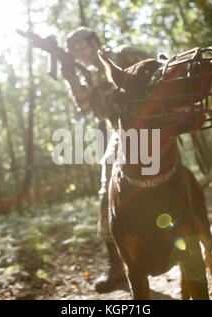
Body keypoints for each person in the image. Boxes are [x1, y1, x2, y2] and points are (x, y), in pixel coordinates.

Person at [61, 27, 151, 293]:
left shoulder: (124, 54)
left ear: (95, 42)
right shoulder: (88, 76)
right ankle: (117, 267)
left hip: (152, 125)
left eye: (81, 45)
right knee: (107, 196)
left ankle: (190, 244)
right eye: (72, 50)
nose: (78, 53)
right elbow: (89, 109)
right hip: (119, 131)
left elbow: (159, 74)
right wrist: (71, 78)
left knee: (170, 184)